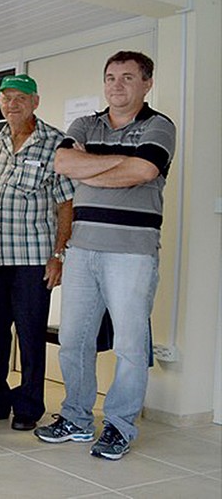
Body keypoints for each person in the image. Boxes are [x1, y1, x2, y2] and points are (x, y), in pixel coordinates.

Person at [35, 52, 175, 460]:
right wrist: (122, 163)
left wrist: (90, 167)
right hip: (81, 250)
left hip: (132, 254)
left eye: (127, 78)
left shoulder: (159, 125)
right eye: (111, 77)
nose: (117, 85)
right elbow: (63, 162)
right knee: (74, 340)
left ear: (147, 83)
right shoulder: (84, 124)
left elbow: (146, 172)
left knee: (131, 345)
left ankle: (119, 426)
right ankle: (76, 419)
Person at [0, 74, 75, 432]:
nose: (11, 104)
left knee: (30, 335)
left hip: (33, 259)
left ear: (35, 102)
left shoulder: (57, 144)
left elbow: (66, 204)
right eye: (5, 98)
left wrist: (59, 254)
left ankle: (29, 406)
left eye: (19, 98)